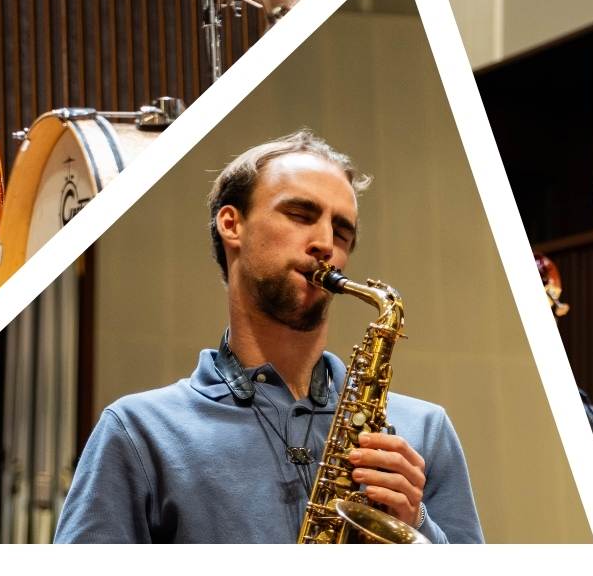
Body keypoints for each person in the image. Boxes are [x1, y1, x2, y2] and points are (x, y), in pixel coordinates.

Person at [54, 129, 483, 542]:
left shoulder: (421, 432)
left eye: (342, 231)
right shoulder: (141, 431)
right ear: (231, 224)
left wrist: (417, 524)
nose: (325, 243)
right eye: (300, 215)